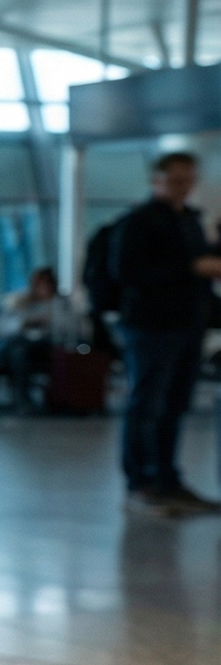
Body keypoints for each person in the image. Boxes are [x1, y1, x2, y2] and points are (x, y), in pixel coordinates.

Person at [110, 151, 221, 515]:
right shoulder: (140, 222)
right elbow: (128, 273)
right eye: (175, 181)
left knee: (174, 405)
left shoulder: (190, 221)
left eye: (188, 181)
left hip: (187, 324)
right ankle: (140, 482)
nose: (183, 188)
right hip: (151, 326)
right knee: (146, 404)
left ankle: (167, 479)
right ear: (156, 180)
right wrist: (190, 268)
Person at [0, 267, 82, 411]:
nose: (44, 288)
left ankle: (14, 389)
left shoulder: (62, 304)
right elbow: (1, 327)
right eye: (41, 284)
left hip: (49, 346)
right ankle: (21, 396)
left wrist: (49, 320)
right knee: (19, 350)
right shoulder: (21, 301)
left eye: (48, 283)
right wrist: (24, 323)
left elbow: (72, 329)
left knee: (18, 350)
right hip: (22, 344)